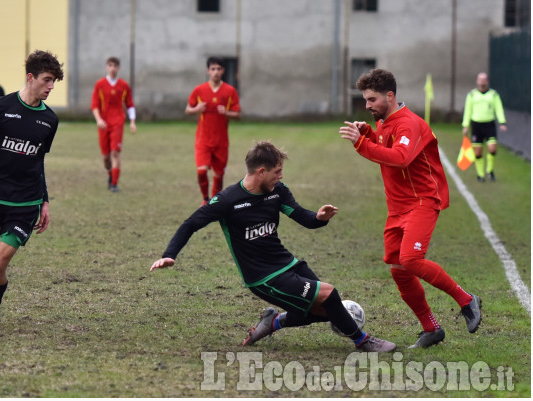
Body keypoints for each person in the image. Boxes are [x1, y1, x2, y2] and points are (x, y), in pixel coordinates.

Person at [150, 141, 396, 352]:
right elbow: (190, 224)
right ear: (261, 171)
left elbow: (302, 216)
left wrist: (319, 218)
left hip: (288, 264)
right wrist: (169, 255)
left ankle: (273, 322)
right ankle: (363, 342)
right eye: (277, 171)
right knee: (329, 294)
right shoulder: (227, 201)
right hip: (263, 277)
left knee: (327, 310)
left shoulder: (277, 191)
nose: (281, 176)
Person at [339, 68, 482, 349]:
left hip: (422, 201)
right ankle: (431, 328)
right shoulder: (385, 121)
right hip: (397, 207)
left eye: (371, 100)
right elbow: (385, 142)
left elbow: (401, 158)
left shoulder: (409, 124)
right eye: (365, 100)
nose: (366, 105)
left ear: (390, 96)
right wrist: (367, 132)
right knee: (398, 268)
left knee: (411, 259)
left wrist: (360, 144)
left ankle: (467, 300)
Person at [0, 50, 64, 330]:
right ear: (31, 78)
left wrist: (45, 202)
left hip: (25, 205)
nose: (51, 86)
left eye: (54, 81)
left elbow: (38, 162)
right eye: (47, 80)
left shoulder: (50, 120)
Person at [185, 57, 241, 206]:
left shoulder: (230, 91)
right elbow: (188, 109)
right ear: (208, 71)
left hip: (221, 141)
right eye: (213, 69)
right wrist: (196, 109)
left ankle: (215, 203)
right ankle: (205, 199)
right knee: (201, 171)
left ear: (223, 71)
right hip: (203, 139)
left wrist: (227, 112)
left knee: (219, 174)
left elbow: (238, 114)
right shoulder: (199, 90)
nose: (215, 72)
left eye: (218, 69)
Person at [91, 57, 137, 192]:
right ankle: (110, 175)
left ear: (118, 68)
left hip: (118, 122)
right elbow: (94, 105)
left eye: (115, 65)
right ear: (107, 67)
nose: (112, 68)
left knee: (115, 153)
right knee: (106, 157)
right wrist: (99, 119)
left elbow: (130, 105)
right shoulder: (100, 84)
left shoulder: (124, 86)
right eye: (110, 65)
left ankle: (114, 184)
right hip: (104, 124)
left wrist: (132, 122)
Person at [462, 72, 507, 182]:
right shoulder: (472, 95)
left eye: (484, 79)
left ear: (487, 81)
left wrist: (502, 122)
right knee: (478, 152)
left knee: (492, 148)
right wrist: (465, 125)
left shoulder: (493, 95)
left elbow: (499, 108)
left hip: (489, 124)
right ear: (477, 81)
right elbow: (468, 110)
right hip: (477, 125)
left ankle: (489, 170)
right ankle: (480, 174)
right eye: (480, 79)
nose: (482, 81)